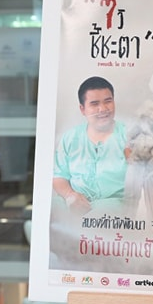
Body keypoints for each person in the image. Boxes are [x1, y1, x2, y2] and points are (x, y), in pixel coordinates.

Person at [53, 76, 127, 214]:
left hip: (113, 207)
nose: (103, 109)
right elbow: (59, 175)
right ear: (83, 109)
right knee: (52, 209)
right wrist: (70, 196)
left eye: (108, 101)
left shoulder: (129, 136)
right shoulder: (70, 138)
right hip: (73, 203)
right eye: (94, 104)